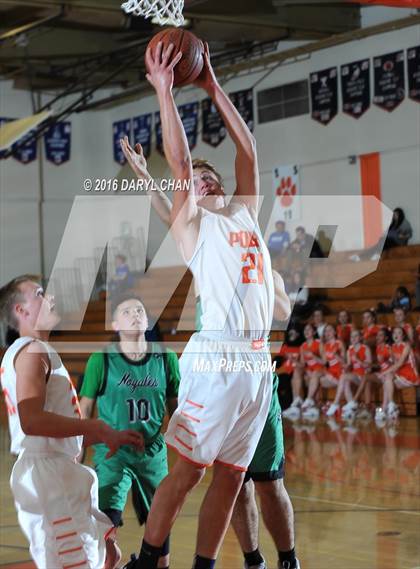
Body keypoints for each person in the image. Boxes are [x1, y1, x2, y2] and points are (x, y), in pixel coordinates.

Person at [128, 40, 293, 569]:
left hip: (255, 362)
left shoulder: (243, 213)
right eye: (194, 181)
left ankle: (204, 565)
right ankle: (150, 556)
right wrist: (164, 91)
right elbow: (178, 164)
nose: (201, 179)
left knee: (230, 475)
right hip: (217, 358)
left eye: (207, 175)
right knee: (188, 472)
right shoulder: (193, 227)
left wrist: (213, 85)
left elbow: (248, 153)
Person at [0, 275, 144, 569]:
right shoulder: (33, 351)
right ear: (21, 311)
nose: (50, 296)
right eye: (39, 293)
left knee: (102, 556)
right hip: (49, 475)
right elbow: (32, 421)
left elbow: (52, 431)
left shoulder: (31, 352)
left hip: (53, 469)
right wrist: (95, 427)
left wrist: (107, 435)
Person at [79, 294, 180, 569]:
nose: (135, 314)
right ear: (114, 324)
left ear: (147, 320)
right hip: (114, 452)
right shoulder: (101, 360)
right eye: (126, 312)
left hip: (152, 451)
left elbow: (178, 410)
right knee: (107, 522)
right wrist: (76, 458)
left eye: (140, 310)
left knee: (162, 535)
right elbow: (84, 412)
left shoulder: (166, 358)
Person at [375, 326, 419, 423]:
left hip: (410, 375)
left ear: (403, 336)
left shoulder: (406, 346)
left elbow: (400, 363)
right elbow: (392, 363)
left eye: (399, 333)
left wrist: (384, 372)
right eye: (394, 333)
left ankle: (387, 407)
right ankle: (388, 407)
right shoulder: (393, 347)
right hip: (400, 374)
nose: (396, 335)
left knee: (386, 379)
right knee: (387, 381)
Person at [327, 329, 372, 419]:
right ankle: (351, 405)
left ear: (360, 337)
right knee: (345, 379)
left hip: (364, 376)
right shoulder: (349, 350)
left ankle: (336, 403)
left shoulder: (365, 348)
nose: (353, 338)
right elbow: (348, 366)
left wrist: (358, 359)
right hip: (354, 375)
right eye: (352, 336)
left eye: (356, 336)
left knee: (344, 377)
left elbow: (369, 367)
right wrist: (339, 358)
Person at [283, 324, 323, 421]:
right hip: (309, 370)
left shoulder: (319, 343)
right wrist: (293, 360)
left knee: (312, 375)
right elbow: (302, 364)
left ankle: (307, 402)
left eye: (309, 329)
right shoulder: (303, 346)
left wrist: (313, 356)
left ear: (314, 332)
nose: (306, 331)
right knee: (296, 370)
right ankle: (296, 401)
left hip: (319, 369)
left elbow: (324, 362)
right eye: (305, 329)